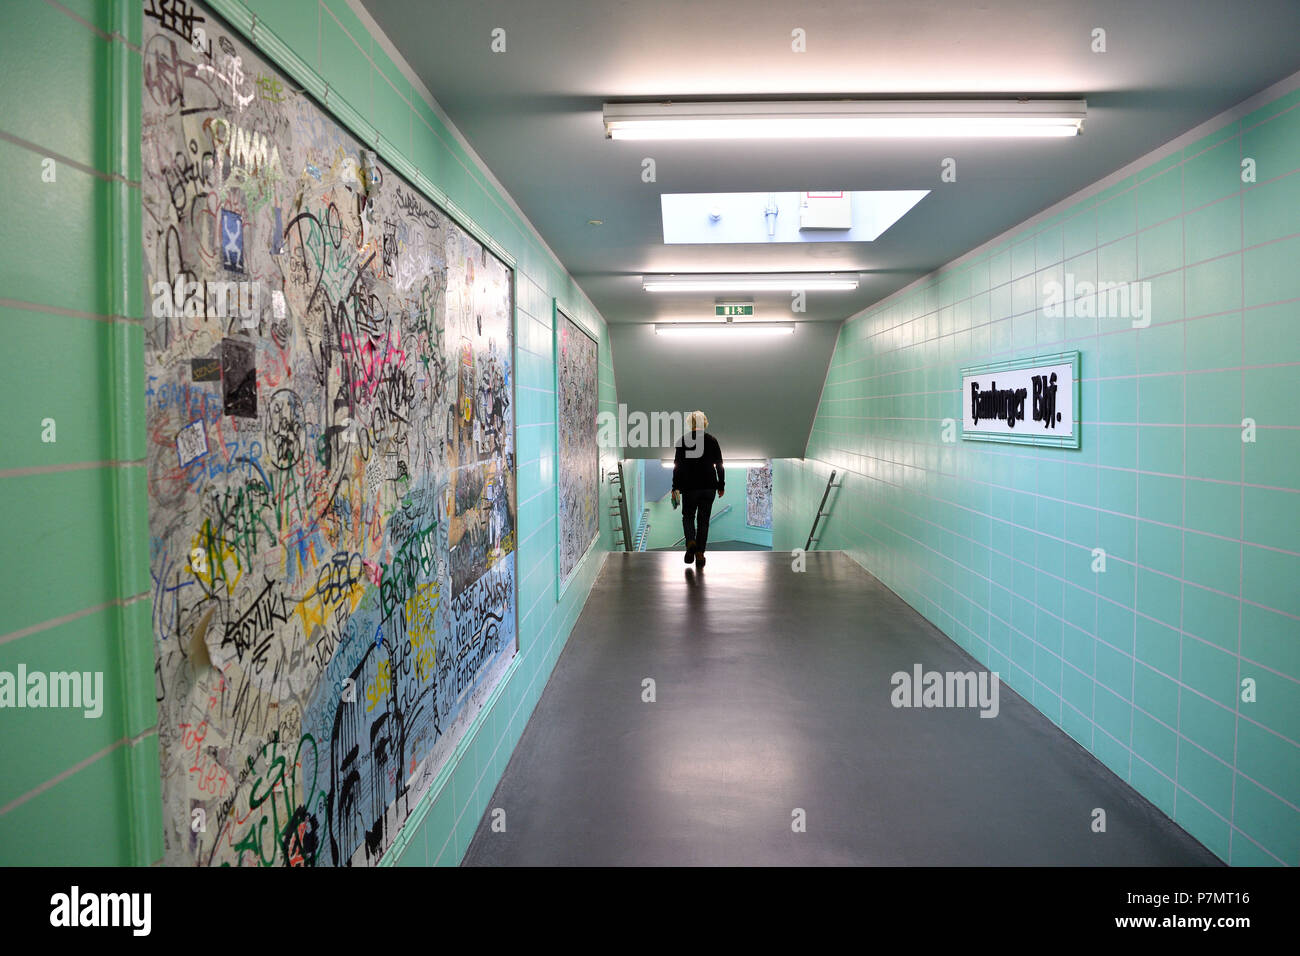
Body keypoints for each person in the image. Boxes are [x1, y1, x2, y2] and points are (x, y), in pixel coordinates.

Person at [671, 410, 724, 569]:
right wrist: (721, 485)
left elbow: (677, 467)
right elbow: (719, 465)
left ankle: (690, 542)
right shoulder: (712, 441)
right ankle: (700, 553)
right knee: (704, 521)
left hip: (690, 487)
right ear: (705, 423)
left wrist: (675, 487)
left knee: (688, 516)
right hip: (709, 487)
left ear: (690, 423)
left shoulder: (683, 441)